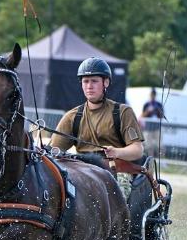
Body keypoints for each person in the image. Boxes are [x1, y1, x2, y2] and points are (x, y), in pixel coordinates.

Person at [51, 57, 144, 198]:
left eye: (94, 81)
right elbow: (54, 151)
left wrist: (117, 152)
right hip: (82, 171)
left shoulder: (123, 112)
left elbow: (137, 150)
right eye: (85, 81)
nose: (89, 86)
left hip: (116, 172)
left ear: (105, 82)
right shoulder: (72, 116)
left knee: (116, 199)